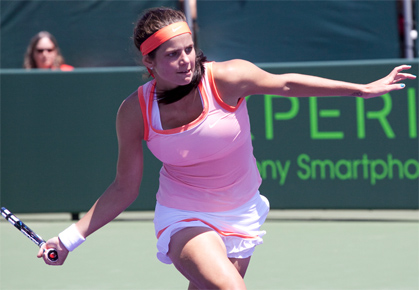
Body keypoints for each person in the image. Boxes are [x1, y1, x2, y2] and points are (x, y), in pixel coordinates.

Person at [37, 7, 416, 290]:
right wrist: (69, 239)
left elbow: (285, 84)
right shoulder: (135, 112)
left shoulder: (227, 78)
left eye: (188, 49)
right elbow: (124, 188)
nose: (185, 60)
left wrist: (361, 89)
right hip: (184, 214)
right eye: (172, 54)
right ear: (148, 61)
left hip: (242, 212)